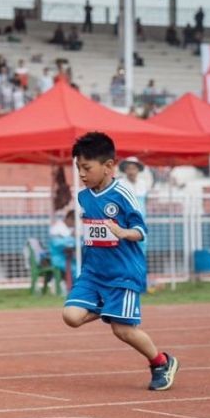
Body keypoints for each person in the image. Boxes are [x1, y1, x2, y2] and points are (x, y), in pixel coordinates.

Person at [63, 132, 179, 391]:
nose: (81, 174)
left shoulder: (123, 193)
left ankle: (161, 362)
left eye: (86, 168)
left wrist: (123, 232)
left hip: (123, 273)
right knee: (71, 316)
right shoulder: (84, 196)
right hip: (93, 273)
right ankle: (107, 306)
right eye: (78, 167)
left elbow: (141, 230)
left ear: (108, 166)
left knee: (122, 330)